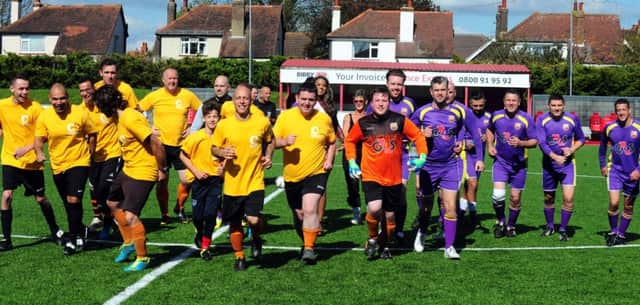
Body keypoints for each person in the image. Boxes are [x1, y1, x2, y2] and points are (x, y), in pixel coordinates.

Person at [345, 87, 427, 260]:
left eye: (384, 100)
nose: (381, 103)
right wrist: (352, 161)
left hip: (394, 177)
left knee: (390, 216)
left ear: (389, 102)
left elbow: (418, 136)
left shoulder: (399, 120)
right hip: (371, 175)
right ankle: (373, 238)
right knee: (374, 209)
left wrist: (422, 156)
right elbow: (350, 141)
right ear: (371, 103)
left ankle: (384, 245)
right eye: (377, 100)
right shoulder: (363, 123)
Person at [94, 85, 167, 272]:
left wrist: (162, 169)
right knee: (112, 202)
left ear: (107, 107)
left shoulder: (130, 117)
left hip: (143, 171)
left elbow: (155, 143)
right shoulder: (119, 119)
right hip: (129, 169)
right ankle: (128, 242)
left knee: (131, 215)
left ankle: (143, 258)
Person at [410, 77, 483, 259]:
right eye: (436, 90)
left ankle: (449, 247)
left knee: (450, 206)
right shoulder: (422, 112)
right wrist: (420, 134)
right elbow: (407, 133)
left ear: (447, 90)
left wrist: (468, 148)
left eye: (443, 89)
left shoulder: (459, 111)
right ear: (431, 92)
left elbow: (474, 131)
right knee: (426, 207)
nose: (440, 93)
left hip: (451, 165)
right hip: (429, 166)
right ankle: (422, 232)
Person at [211, 83, 274, 271]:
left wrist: (268, 156)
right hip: (232, 183)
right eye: (238, 98)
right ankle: (239, 256)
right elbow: (214, 147)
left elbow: (271, 140)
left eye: (245, 98)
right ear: (233, 100)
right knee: (235, 222)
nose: (242, 101)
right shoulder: (224, 124)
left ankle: (256, 239)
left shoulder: (261, 121)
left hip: (255, 180)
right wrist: (222, 151)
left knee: (254, 219)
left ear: (251, 99)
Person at [273, 82, 336, 264]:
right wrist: (284, 141)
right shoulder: (286, 117)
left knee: (310, 209)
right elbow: (271, 141)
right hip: (292, 175)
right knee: (300, 214)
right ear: (297, 99)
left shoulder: (323, 119)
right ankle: (306, 242)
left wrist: (329, 159)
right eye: (304, 99)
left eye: (311, 100)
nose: (307, 103)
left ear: (316, 100)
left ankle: (309, 249)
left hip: (316, 172)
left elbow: (332, 141)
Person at [0, 75, 64, 251]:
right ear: (12, 89)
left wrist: (27, 150)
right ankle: (6, 240)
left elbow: (44, 135)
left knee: (41, 198)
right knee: (6, 195)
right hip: (10, 159)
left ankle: (55, 230)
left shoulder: (35, 108)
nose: (24, 92)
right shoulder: (2, 105)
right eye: (21, 88)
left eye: (27, 88)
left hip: (32, 162)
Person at [35, 83, 99, 255]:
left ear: (68, 98)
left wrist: (91, 152)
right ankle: (82, 232)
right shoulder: (45, 116)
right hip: (58, 165)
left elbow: (93, 132)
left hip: (79, 161)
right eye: (55, 99)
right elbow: (39, 139)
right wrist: (39, 152)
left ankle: (71, 240)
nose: (59, 102)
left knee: (73, 200)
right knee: (69, 203)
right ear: (50, 99)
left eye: (62, 98)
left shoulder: (80, 112)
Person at [139, 68, 201, 224]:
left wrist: (192, 129)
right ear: (163, 80)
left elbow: (202, 110)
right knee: (162, 181)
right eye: (169, 78)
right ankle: (165, 214)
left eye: (175, 78)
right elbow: (137, 110)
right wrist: (148, 127)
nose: (172, 81)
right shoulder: (155, 95)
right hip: (161, 146)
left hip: (181, 145)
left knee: (187, 180)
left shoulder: (187, 95)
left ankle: (179, 208)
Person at [486, 89, 537, 238]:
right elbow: (489, 130)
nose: (511, 103)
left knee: (515, 198)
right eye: (508, 100)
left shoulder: (526, 119)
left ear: (519, 102)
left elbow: (534, 141)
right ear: (504, 101)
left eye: (514, 100)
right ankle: (501, 221)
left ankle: (511, 226)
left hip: (519, 165)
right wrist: (490, 145)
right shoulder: (496, 116)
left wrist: (521, 143)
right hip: (501, 162)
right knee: (498, 196)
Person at [536, 94, 584, 241]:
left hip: (568, 166)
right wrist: (555, 157)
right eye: (553, 105)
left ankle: (562, 229)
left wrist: (571, 150)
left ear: (563, 106)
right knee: (549, 197)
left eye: (559, 105)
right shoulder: (541, 120)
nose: (556, 108)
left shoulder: (572, 119)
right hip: (549, 166)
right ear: (549, 106)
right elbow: (542, 143)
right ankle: (550, 226)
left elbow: (581, 138)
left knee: (568, 199)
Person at [179, 102, 223, 260]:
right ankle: (199, 232)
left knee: (210, 214)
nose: (212, 119)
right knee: (198, 216)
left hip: (215, 182)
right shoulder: (196, 136)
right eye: (209, 116)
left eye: (215, 116)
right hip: (199, 182)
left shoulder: (222, 136)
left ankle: (205, 247)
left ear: (219, 118)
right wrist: (196, 171)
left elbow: (230, 156)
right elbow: (182, 155)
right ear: (203, 118)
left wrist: (223, 168)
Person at [79, 79, 122, 240]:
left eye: (88, 89)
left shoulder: (104, 106)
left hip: (112, 153)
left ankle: (120, 219)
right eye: (82, 90)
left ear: (94, 90)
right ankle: (109, 222)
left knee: (105, 188)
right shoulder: (79, 111)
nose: (86, 93)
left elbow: (124, 117)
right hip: (92, 157)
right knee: (97, 192)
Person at [599, 98, 640, 246]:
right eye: (618, 110)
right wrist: (603, 165)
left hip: (633, 173)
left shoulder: (638, 127)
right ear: (615, 112)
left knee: (628, 206)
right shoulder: (610, 127)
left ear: (629, 110)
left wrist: (639, 170)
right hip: (614, 170)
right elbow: (602, 147)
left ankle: (621, 235)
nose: (621, 112)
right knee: (614, 203)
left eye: (624, 109)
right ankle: (613, 231)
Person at [460, 92, 491, 228]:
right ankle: (473, 217)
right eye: (475, 105)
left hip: (479, 156)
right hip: (465, 154)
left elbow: (493, 133)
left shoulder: (489, 117)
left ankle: (461, 213)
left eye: (480, 105)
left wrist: (489, 138)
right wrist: (464, 143)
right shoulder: (465, 115)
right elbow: (457, 132)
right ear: (470, 104)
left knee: (470, 186)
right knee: (472, 184)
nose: (478, 108)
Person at [342, 90, 368, 225]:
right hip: (351, 155)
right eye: (356, 101)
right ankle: (356, 212)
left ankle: (371, 212)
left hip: (366, 155)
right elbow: (346, 137)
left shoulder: (370, 117)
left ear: (366, 102)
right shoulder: (348, 117)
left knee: (368, 184)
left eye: (361, 101)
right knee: (352, 186)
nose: (358, 103)